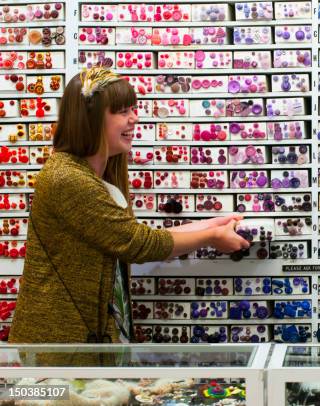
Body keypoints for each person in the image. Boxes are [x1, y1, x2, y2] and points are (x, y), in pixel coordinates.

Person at [9, 67, 251, 344]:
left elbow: (131, 234)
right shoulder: (68, 178)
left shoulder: (96, 175)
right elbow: (137, 243)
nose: (134, 119)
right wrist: (210, 237)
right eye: (122, 111)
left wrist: (214, 224)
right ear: (90, 118)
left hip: (83, 343)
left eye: (133, 110)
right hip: (57, 350)